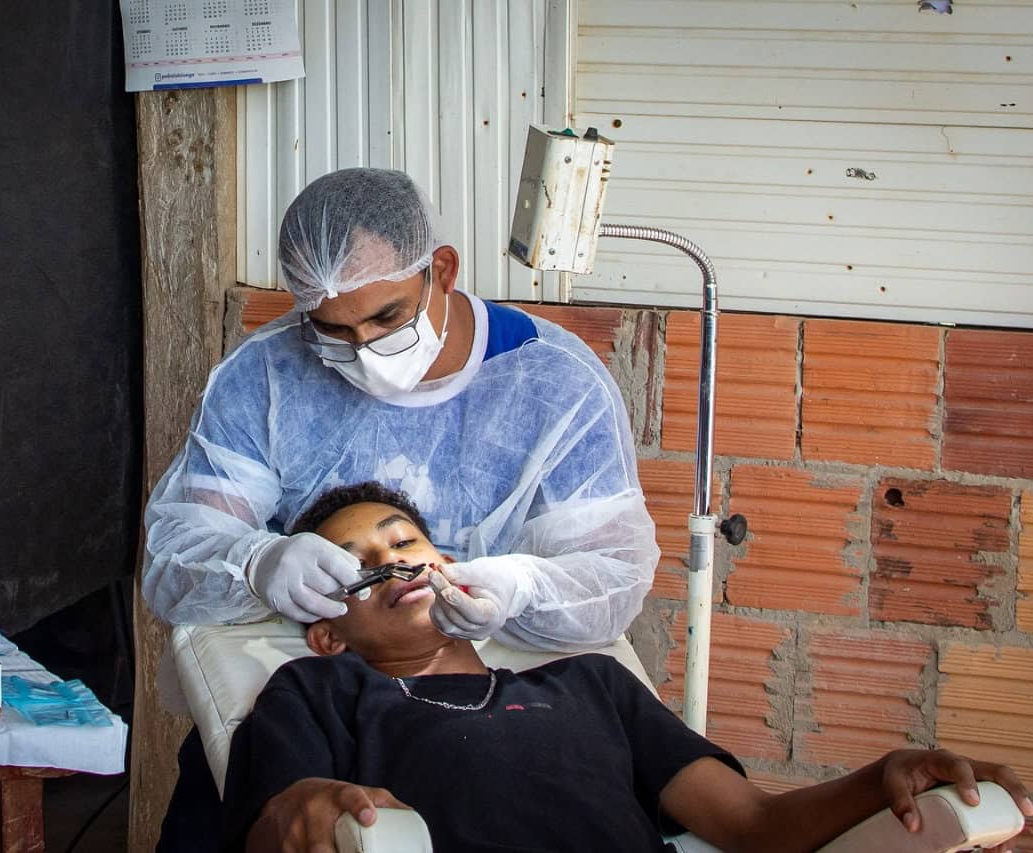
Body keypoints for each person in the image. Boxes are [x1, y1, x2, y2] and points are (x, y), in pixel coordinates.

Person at [222, 483, 1033, 853]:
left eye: (404, 540)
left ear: (451, 566)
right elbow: (278, 828)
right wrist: (308, 806)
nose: (390, 561)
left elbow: (756, 828)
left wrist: (884, 776)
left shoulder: (590, 683)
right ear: (325, 632)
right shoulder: (321, 689)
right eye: (354, 564)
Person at [141, 167, 659, 651]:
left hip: (499, 663)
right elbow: (178, 559)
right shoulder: (265, 376)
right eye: (333, 330)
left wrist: (522, 587)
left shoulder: (556, 382)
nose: (364, 349)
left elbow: (612, 578)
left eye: (388, 318)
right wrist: (256, 563)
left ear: (442, 270)